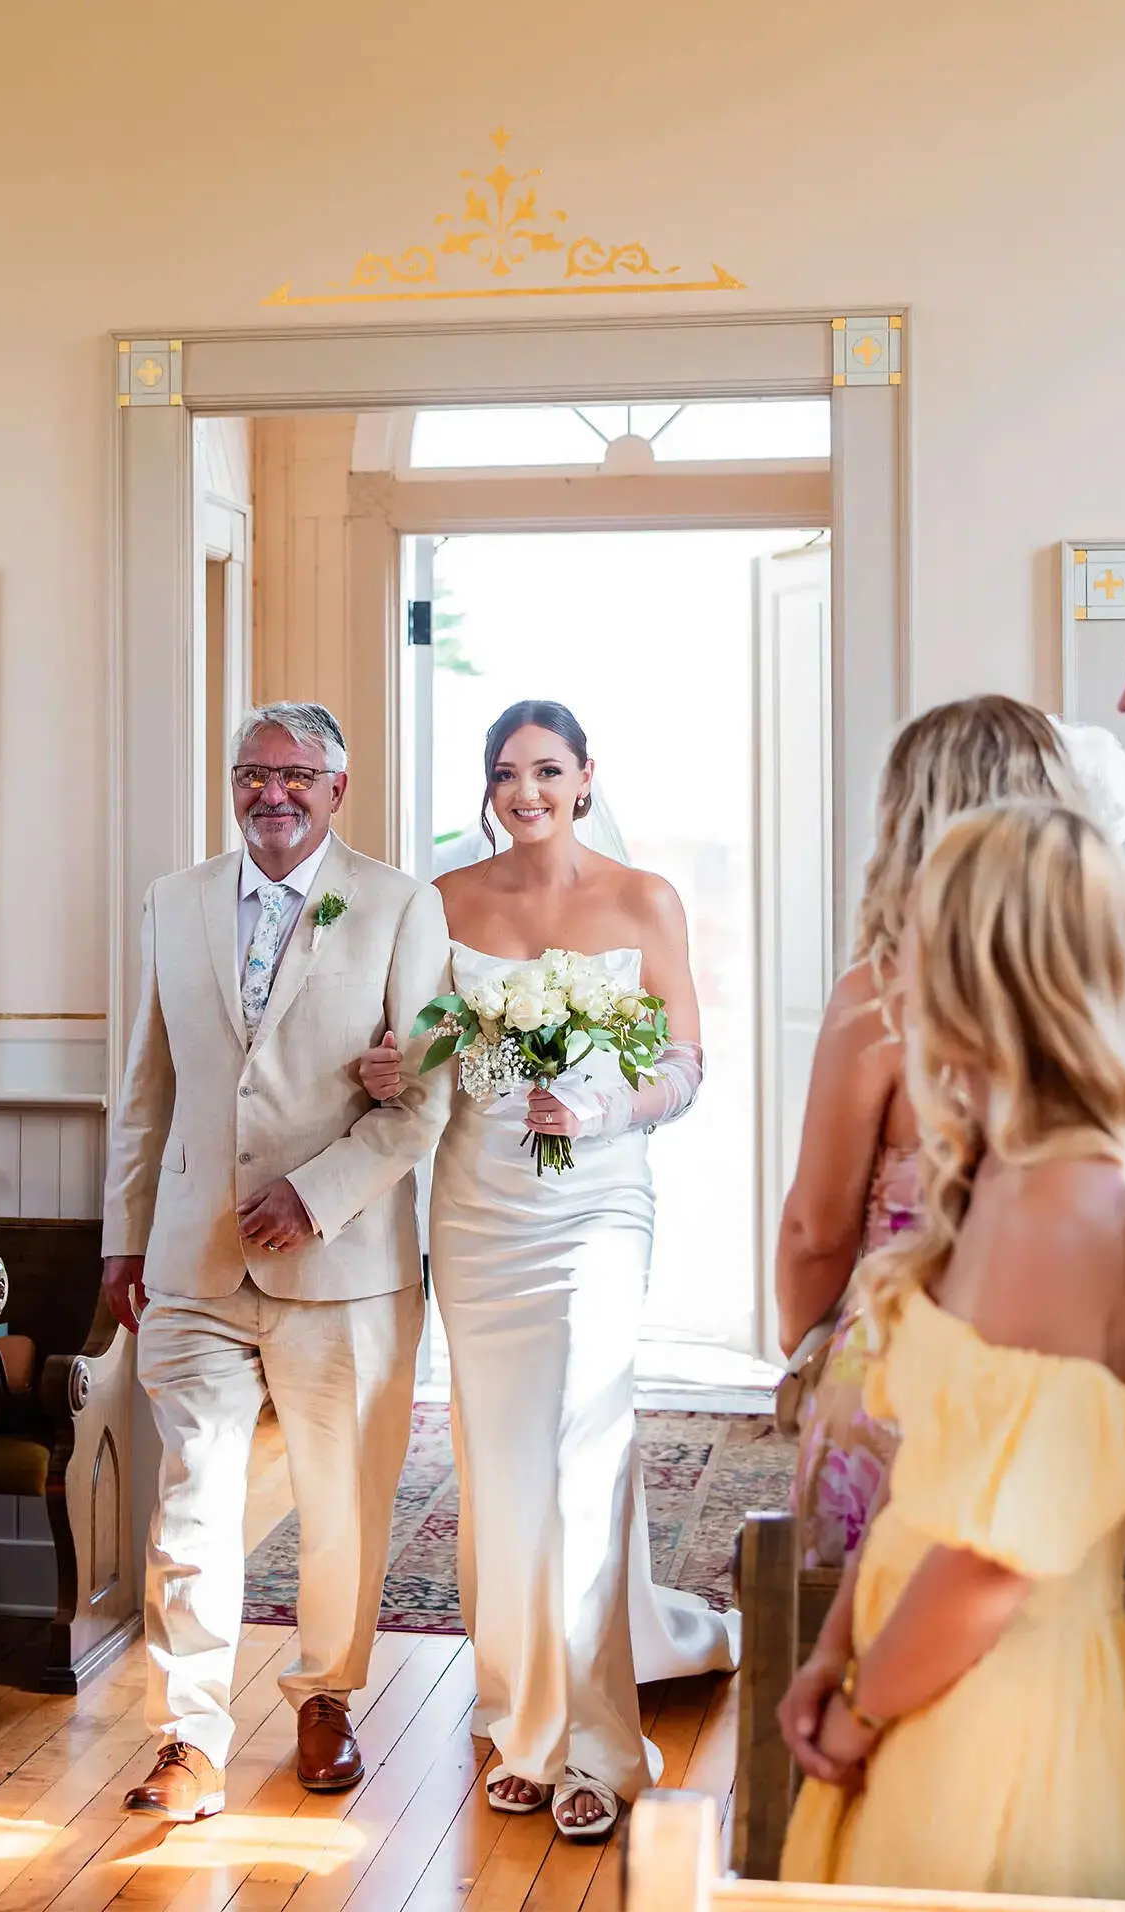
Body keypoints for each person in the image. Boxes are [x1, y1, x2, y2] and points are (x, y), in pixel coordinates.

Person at [357, 700, 737, 1843]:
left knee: (585, 1452)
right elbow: (429, 1031)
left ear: (584, 776)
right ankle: (519, 1719)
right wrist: (395, 1060)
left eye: (546, 769)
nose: (525, 790)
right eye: (505, 773)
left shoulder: (642, 898)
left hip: (599, 1202)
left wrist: (607, 1101)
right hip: (480, 1210)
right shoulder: (448, 901)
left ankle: (600, 1740)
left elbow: (685, 1062)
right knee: (501, 1461)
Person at [101, 702, 453, 1825]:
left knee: (341, 1498)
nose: (272, 793)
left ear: (337, 789)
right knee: (192, 1499)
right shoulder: (174, 900)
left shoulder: (402, 905)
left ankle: (326, 1697)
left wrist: (318, 1193)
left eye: (296, 776)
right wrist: (122, 1232)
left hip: (345, 1262)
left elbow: (425, 1098)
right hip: (193, 1258)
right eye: (253, 773)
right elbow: (143, 1088)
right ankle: (187, 1733)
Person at [779, 800, 1125, 1896]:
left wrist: (863, 1706)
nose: (897, 962)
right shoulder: (999, 1173)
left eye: (922, 930)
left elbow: (996, 1556)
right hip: (908, 1651)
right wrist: (836, 1644)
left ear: (983, 966)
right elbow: (928, 1481)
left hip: (994, 1694)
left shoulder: (1071, 1203)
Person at [775, 698, 1086, 1567]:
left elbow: (814, 1231)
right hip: (1084, 1373)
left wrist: (805, 1345)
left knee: (870, 1652)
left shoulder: (880, 1000)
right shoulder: (1107, 985)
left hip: (910, 1377)